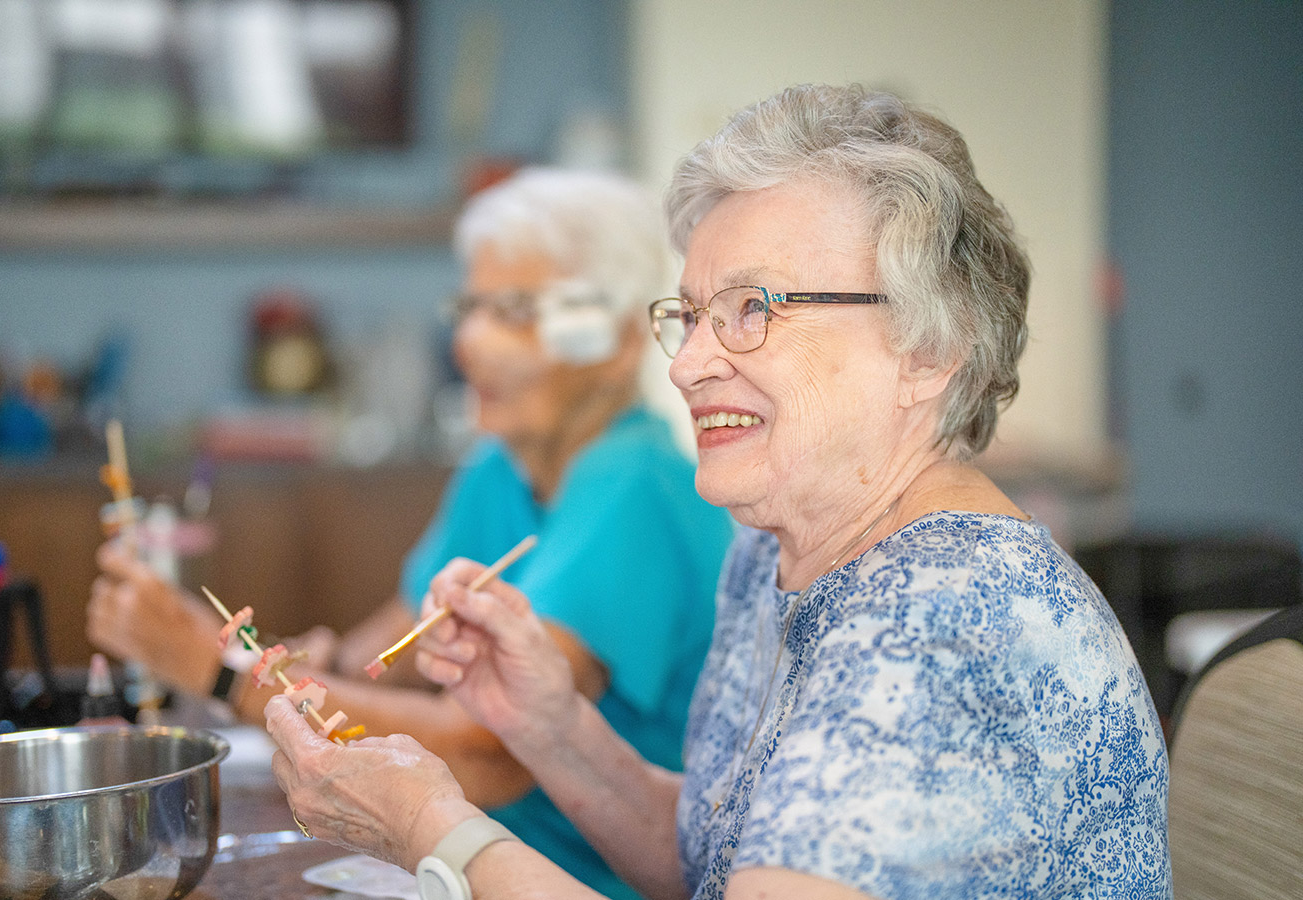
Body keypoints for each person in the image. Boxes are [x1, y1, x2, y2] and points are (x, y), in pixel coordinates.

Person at [262, 84, 1172, 900]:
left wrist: (434, 832)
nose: (692, 363)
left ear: (930, 351)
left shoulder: (940, 630)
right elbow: (716, 859)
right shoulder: (774, 553)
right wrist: (551, 726)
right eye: (692, 315)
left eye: (754, 309)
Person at [86, 167, 735, 900]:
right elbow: (374, 659)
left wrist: (222, 669)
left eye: (515, 312)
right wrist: (299, 665)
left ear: (615, 344)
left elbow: (487, 752)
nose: (469, 344)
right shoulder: (501, 465)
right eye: (470, 307)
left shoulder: (634, 484)